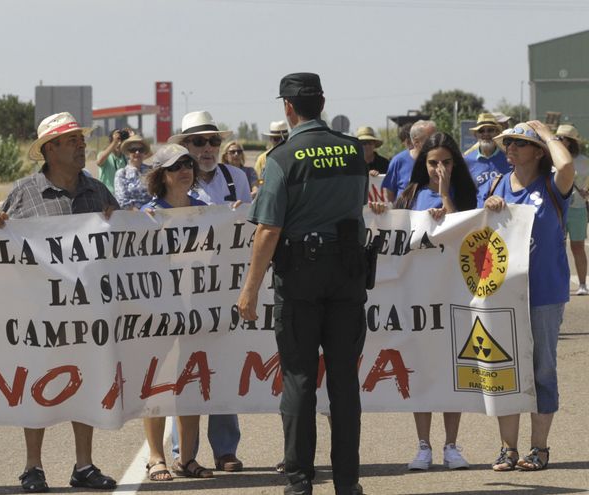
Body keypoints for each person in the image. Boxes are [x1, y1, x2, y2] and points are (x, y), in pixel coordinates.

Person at [237, 72, 367, 495]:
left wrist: (250, 289)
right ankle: (348, 483)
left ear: (288, 107)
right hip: (348, 274)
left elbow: (268, 230)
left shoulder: (282, 157)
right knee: (344, 382)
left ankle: (299, 482)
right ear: (322, 102)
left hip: (301, 277)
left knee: (298, 379)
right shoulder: (352, 152)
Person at [0, 112, 119, 493]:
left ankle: (84, 465)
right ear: (50, 150)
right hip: (39, 313)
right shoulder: (25, 193)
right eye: (72, 141)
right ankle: (33, 467)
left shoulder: (97, 192)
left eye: (81, 139)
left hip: (87, 311)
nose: (82, 145)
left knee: (85, 382)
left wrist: (122, 220)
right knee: (37, 383)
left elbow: (128, 244)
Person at [368, 133, 476, 472]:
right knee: (421, 370)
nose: (438, 168)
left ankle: (452, 445)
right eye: (432, 163)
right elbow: (394, 236)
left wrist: (446, 199)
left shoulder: (465, 193)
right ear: (422, 164)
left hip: (454, 295)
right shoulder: (410, 194)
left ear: (454, 163)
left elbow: (467, 236)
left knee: (450, 370)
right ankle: (424, 445)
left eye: (445, 162)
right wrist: (381, 212)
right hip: (416, 299)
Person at [483, 122, 574, 472]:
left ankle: (539, 449)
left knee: (542, 370)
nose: (511, 148)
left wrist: (547, 133)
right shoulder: (495, 184)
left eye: (520, 143)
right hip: (503, 293)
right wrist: (489, 206)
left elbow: (566, 166)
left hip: (544, 293)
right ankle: (508, 448)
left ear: (538, 152)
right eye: (509, 143)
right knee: (505, 370)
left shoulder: (552, 184)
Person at [167, 109, 250, 473]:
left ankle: (225, 449)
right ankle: (182, 451)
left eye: (213, 140)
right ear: (184, 146)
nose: (208, 148)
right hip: (182, 289)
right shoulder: (174, 179)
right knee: (183, 370)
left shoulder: (237, 177)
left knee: (223, 366)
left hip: (225, 288)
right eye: (198, 141)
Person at [138, 144, 212, 481]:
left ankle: (188, 457)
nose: (184, 170)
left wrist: (236, 216)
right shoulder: (147, 214)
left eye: (188, 164)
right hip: (157, 313)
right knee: (156, 383)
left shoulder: (206, 210)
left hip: (195, 311)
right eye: (174, 166)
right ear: (161, 176)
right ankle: (155, 457)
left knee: (190, 384)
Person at [556, 125, 589, 295]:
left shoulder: (584, 160)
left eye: (560, 138)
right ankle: (559, 283)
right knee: (556, 247)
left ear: (570, 142)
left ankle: (582, 284)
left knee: (578, 247)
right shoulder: (552, 158)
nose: (557, 141)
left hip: (578, 209)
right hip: (558, 209)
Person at [381, 120, 437, 202]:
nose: (436, 141)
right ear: (416, 142)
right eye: (430, 138)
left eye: (436, 137)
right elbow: (389, 193)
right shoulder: (398, 161)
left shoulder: (441, 161)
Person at [464, 113, 510, 189]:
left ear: (498, 133)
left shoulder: (509, 159)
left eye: (490, 130)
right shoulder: (467, 161)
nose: (486, 134)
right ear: (475, 135)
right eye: (481, 131)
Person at [113, 134, 153, 209]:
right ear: (128, 153)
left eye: (140, 150)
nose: (137, 152)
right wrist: (141, 212)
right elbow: (122, 201)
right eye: (133, 150)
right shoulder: (121, 173)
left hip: (153, 213)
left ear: (144, 152)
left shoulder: (151, 171)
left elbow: (157, 194)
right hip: (131, 217)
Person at [96, 128, 132, 193]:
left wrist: (133, 139)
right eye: (117, 140)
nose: (119, 143)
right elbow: (99, 162)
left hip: (122, 197)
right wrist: (114, 142)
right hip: (107, 197)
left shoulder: (125, 157)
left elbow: (148, 154)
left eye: (121, 140)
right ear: (111, 141)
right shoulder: (104, 155)